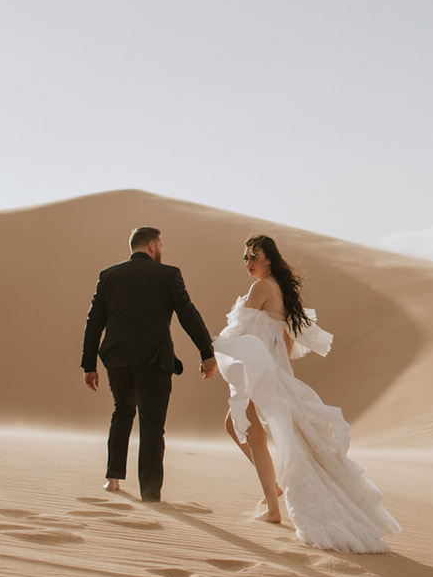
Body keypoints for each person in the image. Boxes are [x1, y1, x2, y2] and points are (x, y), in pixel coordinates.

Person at [211, 235, 399, 553]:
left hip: (264, 375)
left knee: (250, 433)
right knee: (245, 429)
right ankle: (273, 490)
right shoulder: (278, 289)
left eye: (253, 256)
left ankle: (273, 502)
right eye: (244, 258)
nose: (248, 263)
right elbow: (282, 339)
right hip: (272, 373)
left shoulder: (261, 288)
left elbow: (239, 331)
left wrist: (212, 353)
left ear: (268, 258)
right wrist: (286, 377)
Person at [82, 226, 216, 502]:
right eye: (161, 246)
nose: (162, 251)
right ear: (152, 247)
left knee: (122, 412)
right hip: (154, 360)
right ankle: (150, 491)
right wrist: (206, 352)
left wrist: (89, 364)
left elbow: (94, 322)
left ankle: (113, 479)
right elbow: (188, 314)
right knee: (152, 425)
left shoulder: (108, 276)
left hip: (117, 360)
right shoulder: (168, 275)